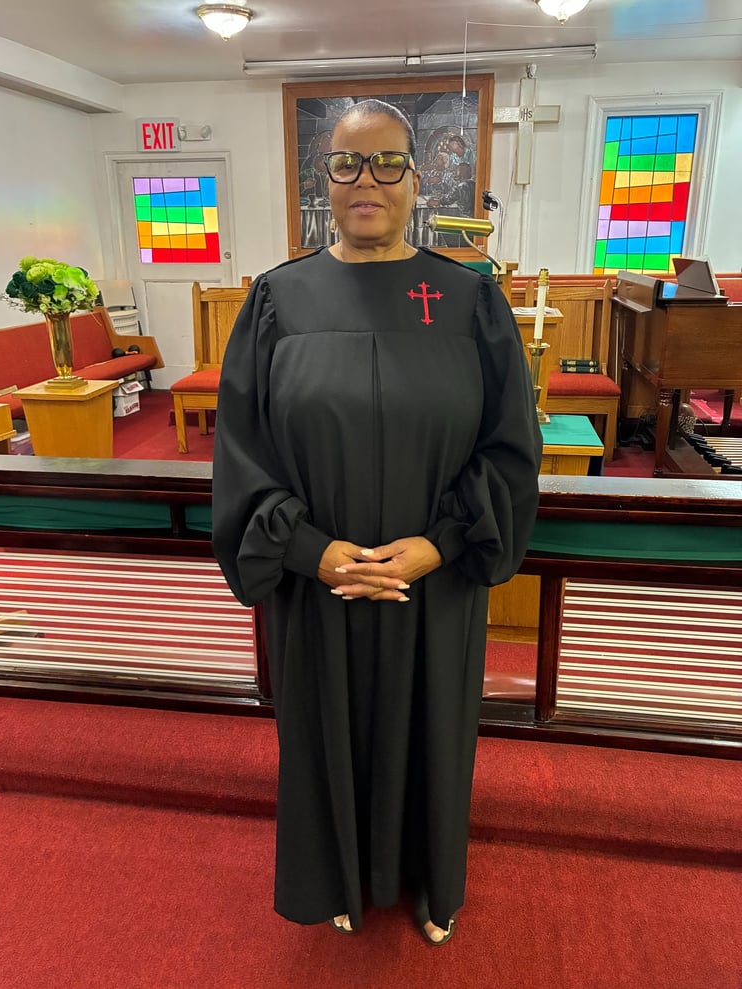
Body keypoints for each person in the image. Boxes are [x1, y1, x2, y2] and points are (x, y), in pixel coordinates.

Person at [212, 98, 542, 946]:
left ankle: (432, 884)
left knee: (434, 731)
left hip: (436, 583)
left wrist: (440, 543)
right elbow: (243, 451)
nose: (368, 180)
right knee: (325, 730)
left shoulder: (469, 299)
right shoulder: (277, 300)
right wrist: (312, 551)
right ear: (324, 180)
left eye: (388, 162)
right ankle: (338, 878)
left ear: (416, 180)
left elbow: (509, 448)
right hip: (320, 585)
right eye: (347, 163)